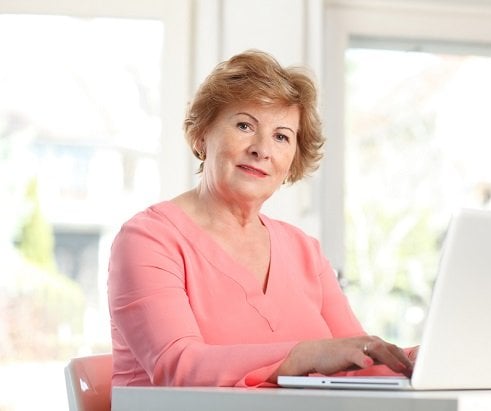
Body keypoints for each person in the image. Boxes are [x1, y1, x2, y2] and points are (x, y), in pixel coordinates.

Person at [107, 49, 417, 388]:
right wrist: (302, 356)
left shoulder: (303, 250)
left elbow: (357, 358)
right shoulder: (149, 239)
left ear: (292, 160)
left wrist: (424, 357)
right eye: (244, 126)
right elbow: (178, 366)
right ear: (201, 136)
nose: (261, 149)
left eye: (281, 136)